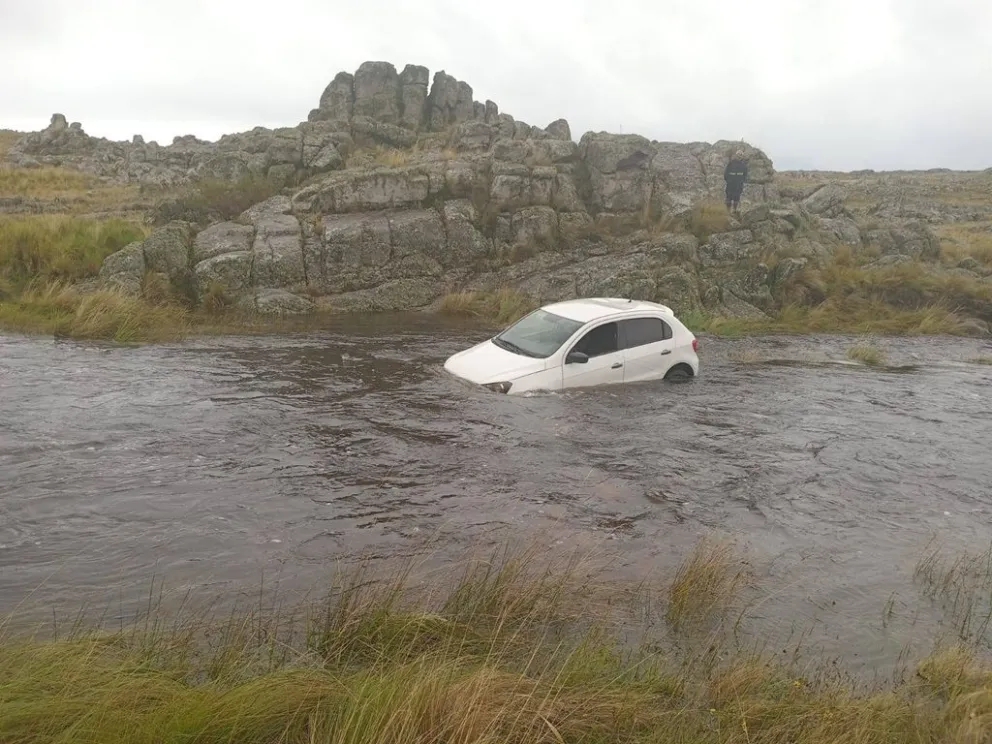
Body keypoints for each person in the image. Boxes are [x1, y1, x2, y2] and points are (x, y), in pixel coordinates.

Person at [723, 149, 748, 213]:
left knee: (729, 197)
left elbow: (725, 175)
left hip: (731, 184)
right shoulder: (743, 166)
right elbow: (745, 176)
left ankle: (728, 211)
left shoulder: (730, 164)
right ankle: (734, 211)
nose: (739, 157)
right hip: (738, 185)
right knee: (736, 198)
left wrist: (728, 180)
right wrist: (741, 181)